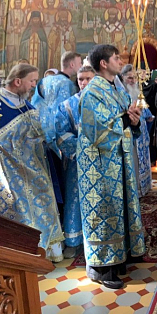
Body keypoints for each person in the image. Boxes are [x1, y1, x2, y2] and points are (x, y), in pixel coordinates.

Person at [77, 45, 145, 289]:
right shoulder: (92, 92)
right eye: (116, 58)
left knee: (119, 207)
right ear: (104, 63)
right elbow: (98, 129)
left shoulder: (115, 89)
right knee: (104, 210)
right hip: (99, 164)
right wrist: (126, 119)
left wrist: (134, 121)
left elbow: (125, 120)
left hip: (117, 159)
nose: (120, 61)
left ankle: (120, 257)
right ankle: (102, 268)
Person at [0, 64, 63, 261]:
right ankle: (27, 253)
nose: (34, 85)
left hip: (33, 165)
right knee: (20, 208)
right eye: (32, 81)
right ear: (18, 81)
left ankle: (48, 249)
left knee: (45, 196)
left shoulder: (22, 101)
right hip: (10, 170)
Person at [55, 64, 95, 257]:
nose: (84, 83)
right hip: (76, 162)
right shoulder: (67, 105)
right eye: (81, 79)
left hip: (102, 161)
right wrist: (83, 148)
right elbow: (62, 133)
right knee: (74, 198)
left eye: (88, 79)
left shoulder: (103, 103)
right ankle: (74, 239)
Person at [121, 64, 153, 197]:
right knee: (134, 159)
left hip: (142, 130)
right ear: (123, 78)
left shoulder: (137, 91)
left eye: (134, 77)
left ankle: (144, 187)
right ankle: (136, 190)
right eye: (129, 78)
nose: (133, 80)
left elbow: (144, 109)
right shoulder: (121, 94)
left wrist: (148, 115)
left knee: (143, 157)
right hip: (131, 131)